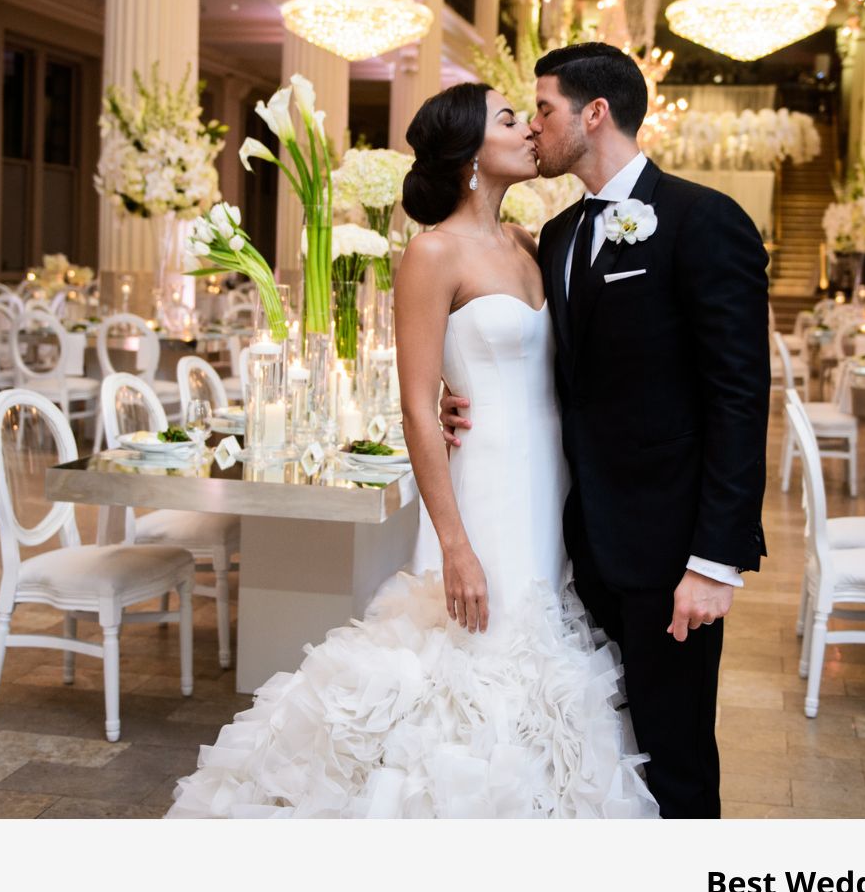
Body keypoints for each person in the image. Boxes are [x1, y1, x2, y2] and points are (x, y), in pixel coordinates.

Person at [170, 76, 664, 818]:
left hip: (552, 485)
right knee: (477, 651)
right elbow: (414, 408)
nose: (530, 130)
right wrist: (454, 545)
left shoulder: (531, 242)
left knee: (541, 645)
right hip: (485, 488)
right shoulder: (431, 253)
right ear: (470, 152)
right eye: (509, 119)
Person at [445, 43, 770, 817]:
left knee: (675, 760)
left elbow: (739, 398)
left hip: (668, 553)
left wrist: (715, 561)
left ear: (594, 114)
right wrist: (449, 397)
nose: (533, 127)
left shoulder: (702, 220)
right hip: (572, 548)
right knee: (601, 756)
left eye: (543, 109)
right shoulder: (555, 237)